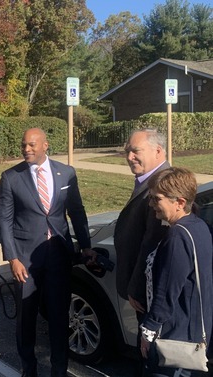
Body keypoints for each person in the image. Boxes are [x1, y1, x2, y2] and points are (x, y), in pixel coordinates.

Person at [0, 128, 93, 377]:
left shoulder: (66, 173)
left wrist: (85, 246)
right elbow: (4, 221)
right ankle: (29, 369)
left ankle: (58, 370)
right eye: (23, 145)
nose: (26, 149)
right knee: (26, 318)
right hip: (25, 259)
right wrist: (13, 258)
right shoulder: (11, 177)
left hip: (58, 255)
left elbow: (77, 211)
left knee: (59, 316)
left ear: (45, 145)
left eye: (31, 145)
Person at [139, 167, 213, 376]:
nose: (151, 204)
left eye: (156, 199)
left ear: (179, 202)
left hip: (175, 335)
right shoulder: (198, 225)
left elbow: (166, 292)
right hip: (195, 327)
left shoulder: (178, 237)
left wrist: (148, 331)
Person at [114, 129, 170, 374]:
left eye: (136, 151)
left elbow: (152, 244)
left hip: (148, 292)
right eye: (128, 151)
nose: (129, 156)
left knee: (152, 354)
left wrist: (135, 287)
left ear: (158, 151)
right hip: (143, 290)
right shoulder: (148, 180)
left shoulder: (162, 186)